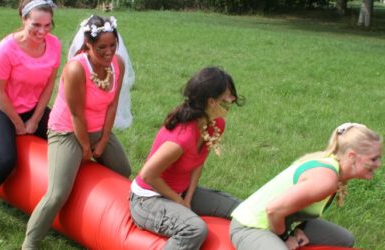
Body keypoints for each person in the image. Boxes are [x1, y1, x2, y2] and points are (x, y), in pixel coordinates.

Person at [22, 15, 132, 249]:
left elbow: (112, 105)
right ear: (88, 45)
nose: (109, 51)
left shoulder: (117, 65)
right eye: (102, 47)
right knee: (57, 194)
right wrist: (85, 148)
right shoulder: (76, 69)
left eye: (113, 45)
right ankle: (30, 241)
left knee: (123, 170)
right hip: (67, 131)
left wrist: (102, 141)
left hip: (97, 129)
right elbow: (76, 115)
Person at [129, 67, 243, 250]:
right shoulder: (181, 138)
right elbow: (148, 175)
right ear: (212, 102)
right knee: (195, 229)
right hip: (148, 199)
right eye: (227, 99)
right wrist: (179, 202)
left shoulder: (216, 125)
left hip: (181, 192)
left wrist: (188, 198)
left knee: (241, 209)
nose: (232, 101)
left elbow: (198, 164)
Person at [230, 123, 382, 250]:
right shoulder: (325, 179)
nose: (379, 164)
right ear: (351, 156)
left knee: (343, 239)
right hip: (252, 226)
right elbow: (273, 210)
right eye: (374, 159)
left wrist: (297, 231)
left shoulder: (333, 163)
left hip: (279, 221)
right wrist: (285, 238)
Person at [0, 0, 60, 211]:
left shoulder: (54, 44)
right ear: (23, 19)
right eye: (36, 24)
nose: (42, 31)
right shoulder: (5, 50)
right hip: (0, 110)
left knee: (66, 139)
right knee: (6, 160)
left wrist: (35, 119)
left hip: (32, 108)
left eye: (47, 25)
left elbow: (49, 84)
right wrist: (18, 123)